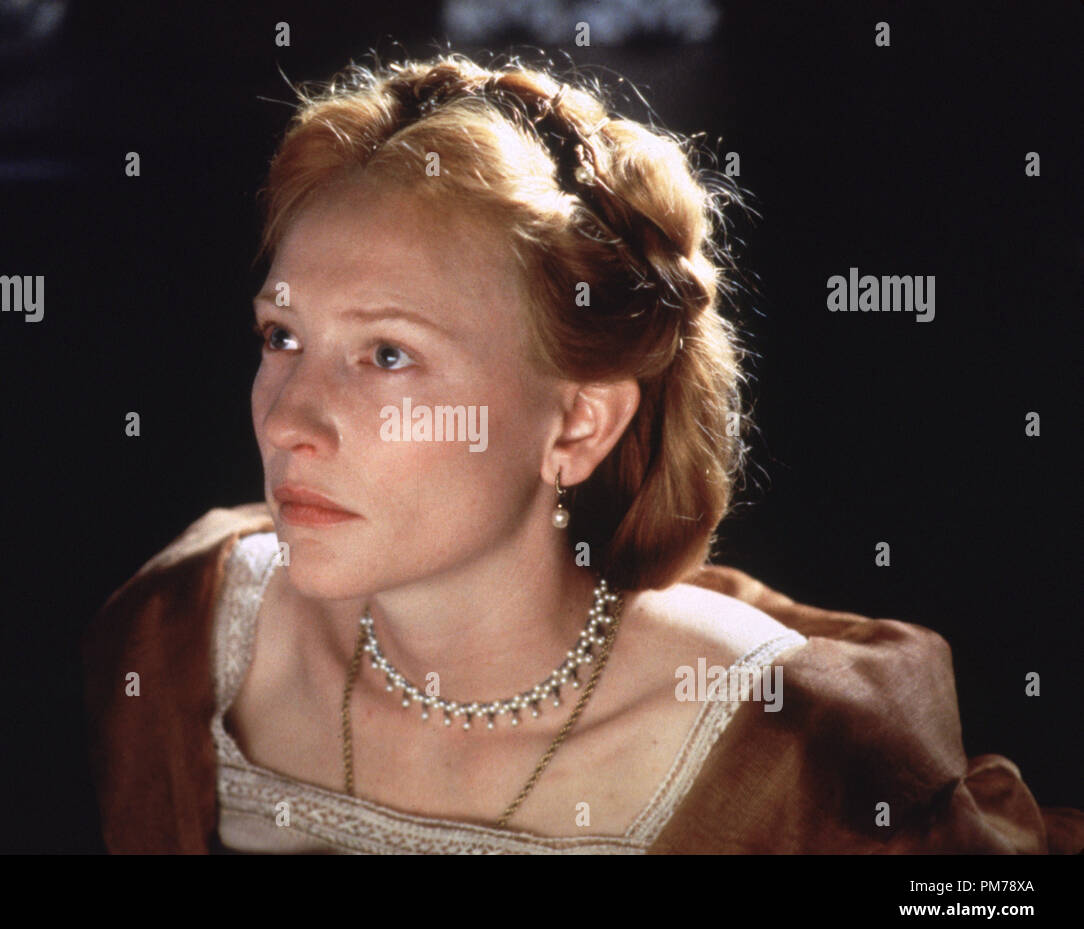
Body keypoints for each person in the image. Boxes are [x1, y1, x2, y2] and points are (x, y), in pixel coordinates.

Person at [82, 53, 1083, 854]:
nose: (288, 419)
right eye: (282, 337)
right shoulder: (186, 633)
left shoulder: (790, 750)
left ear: (577, 427)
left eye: (388, 354)